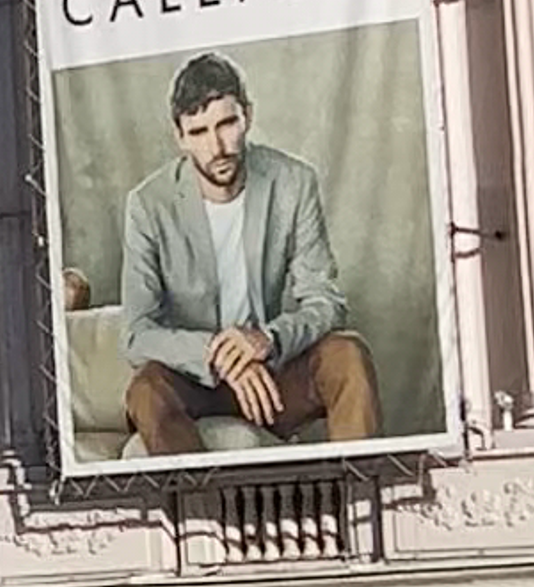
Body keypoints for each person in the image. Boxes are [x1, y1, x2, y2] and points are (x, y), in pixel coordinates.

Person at [118, 57, 382, 454]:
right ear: (180, 137)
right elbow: (137, 334)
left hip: (274, 376)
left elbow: (326, 302)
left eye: (227, 124)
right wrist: (218, 355)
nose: (217, 147)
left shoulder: (293, 182)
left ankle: (357, 502)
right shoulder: (147, 205)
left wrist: (267, 340)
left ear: (248, 117)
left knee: (348, 354)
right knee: (145, 390)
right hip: (198, 381)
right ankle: (202, 514)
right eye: (199, 132)